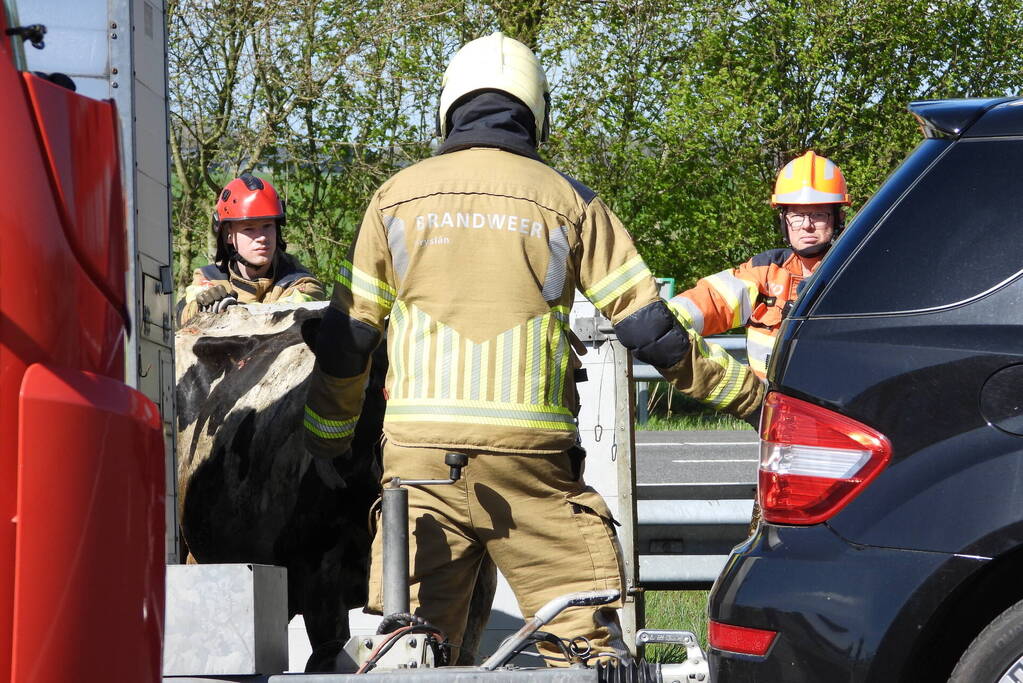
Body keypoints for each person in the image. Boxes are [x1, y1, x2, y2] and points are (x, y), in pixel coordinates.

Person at [303, 33, 763, 666]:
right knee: (585, 653)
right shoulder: (568, 200)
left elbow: (351, 339)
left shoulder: (395, 198)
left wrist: (327, 437)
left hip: (420, 467)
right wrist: (750, 397)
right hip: (532, 466)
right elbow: (649, 330)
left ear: (449, 106)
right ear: (535, 110)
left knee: (405, 655)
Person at [668, 151, 850, 380]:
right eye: (796, 215)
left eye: (818, 215)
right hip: (769, 407)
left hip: (830, 407)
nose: (806, 225)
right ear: (784, 220)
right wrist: (664, 319)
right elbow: (716, 299)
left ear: (838, 218)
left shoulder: (850, 273)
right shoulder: (766, 271)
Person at [179, 173, 325, 323]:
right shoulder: (210, 278)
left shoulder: (301, 283)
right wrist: (200, 307)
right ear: (228, 235)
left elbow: (284, 322)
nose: (262, 237)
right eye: (249, 229)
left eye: (267, 226)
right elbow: (181, 316)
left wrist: (231, 310)